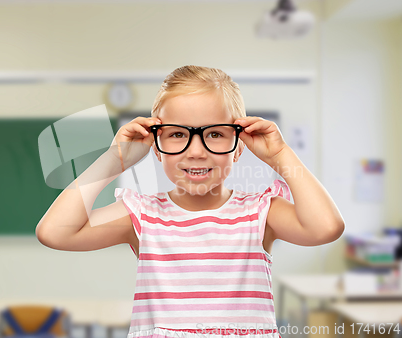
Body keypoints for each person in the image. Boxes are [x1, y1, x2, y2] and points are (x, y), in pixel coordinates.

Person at [36, 65, 345, 338]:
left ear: (238, 146)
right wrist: (113, 160)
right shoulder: (142, 214)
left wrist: (280, 155)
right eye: (176, 135)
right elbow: (56, 232)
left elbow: (325, 228)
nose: (196, 151)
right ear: (156, 146)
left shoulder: (260, 212)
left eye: (214, 134)